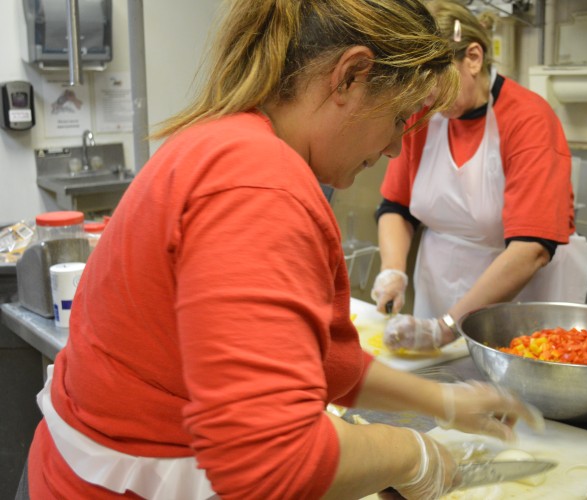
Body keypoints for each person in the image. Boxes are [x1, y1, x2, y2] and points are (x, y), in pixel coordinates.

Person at [24, 1, 543, 499]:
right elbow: (274, 463)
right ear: (351, 76)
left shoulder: (229, 140)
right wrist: (412, 454)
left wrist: (444, 402)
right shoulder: (259, 186)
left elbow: (326, 362)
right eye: (399, 118)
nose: (392, 149)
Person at [371, 0, 587, 353]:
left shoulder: (528, 119)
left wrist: (446, 327)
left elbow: (531, 249)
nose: (426, 96)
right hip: (439, 295)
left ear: (472, 58)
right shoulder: (424, 114)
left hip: (518, 308)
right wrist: (393, 271)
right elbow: (396, 206)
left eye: (434, 79)